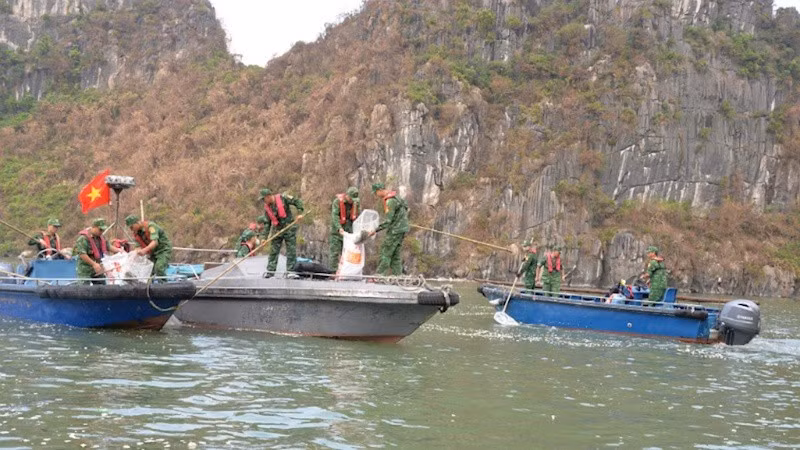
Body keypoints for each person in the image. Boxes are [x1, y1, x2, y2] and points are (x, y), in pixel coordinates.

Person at [260, 188, 304, 277]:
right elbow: (267, 224)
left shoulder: (283, 198)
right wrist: (264, 238)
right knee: (273, 251)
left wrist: (300, 213)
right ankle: (270, 271)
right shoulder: (267, 208)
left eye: (264, 199)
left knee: (291, 250)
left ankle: (291, 271)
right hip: (277, 230)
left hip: (289, 228)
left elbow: (297, 201)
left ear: (268, 196)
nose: (264, 201)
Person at [370, 183, 409, 276]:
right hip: (402, 230)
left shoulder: (390, 201)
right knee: (395, 254)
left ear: (379, 190)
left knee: (386, 251)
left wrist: (375, 230)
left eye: (376, 193)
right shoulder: (397, 197)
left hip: (395, 230)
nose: (376, 195)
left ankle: (379, 275)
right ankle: (398, 275)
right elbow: (405, 208)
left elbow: (388, 221)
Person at [125, 215, 173, 281]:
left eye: (132, 227)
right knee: (148, 271)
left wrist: (144, 250)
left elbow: (155, 242)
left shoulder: (151, 226)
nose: (131, 229)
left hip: (163, 250)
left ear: (137, 223)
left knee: (159, 268)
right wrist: (137, 252)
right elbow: (137, 245)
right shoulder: (136, 233)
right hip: (152, 252)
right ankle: (148, 288)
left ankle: (164, 286)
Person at [74, 218, 121, 284]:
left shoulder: (101, 237)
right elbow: (82, 254)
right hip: (85, 269)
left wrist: (119, 250)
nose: (101, 232)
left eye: (103, 230)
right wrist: (94, 264)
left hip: (98, 267)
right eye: (100, 229)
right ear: (94, 227)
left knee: (101, 287)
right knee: (84, 289)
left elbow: (108, 246)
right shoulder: (83, 238)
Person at [330, 186, 360, 272]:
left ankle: (347, 271)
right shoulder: (337, 202)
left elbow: (358, 216)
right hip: (337, 231)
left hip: (349, 232)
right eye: (351, 198)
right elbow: (335, 216)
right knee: (335, 252)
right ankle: (333, 272)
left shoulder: (356, 203)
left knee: (349, 252)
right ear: (347, 196)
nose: (352, 201)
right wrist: (339, 228)